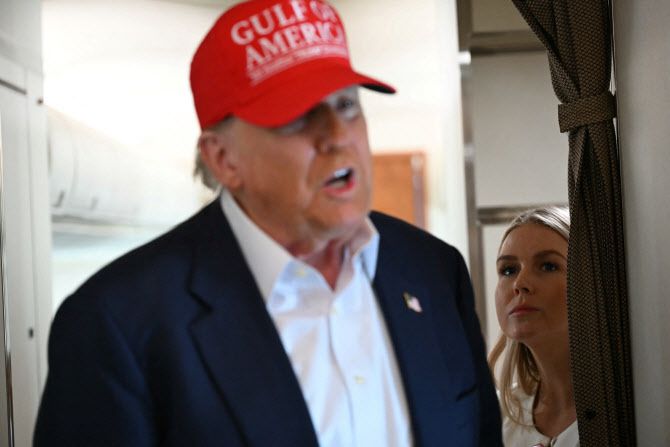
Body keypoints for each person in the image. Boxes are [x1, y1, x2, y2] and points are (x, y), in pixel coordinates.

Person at [34, 0, 501, 445]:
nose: (338, 136)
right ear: (223, 159)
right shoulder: (118, 324)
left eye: (346, 105)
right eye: (297, 116)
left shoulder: (433, 271)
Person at [488, 206, 579, 447]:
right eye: (508, 270)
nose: (520, 283)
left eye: (548, 266)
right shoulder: (495, 418)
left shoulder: (634, 410)